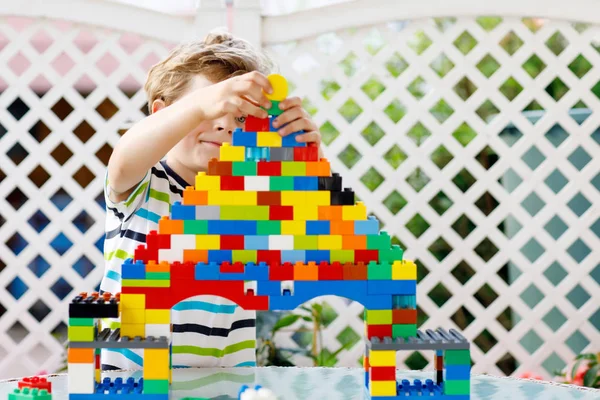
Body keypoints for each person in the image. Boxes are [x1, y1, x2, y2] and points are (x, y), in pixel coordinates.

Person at [101, 31, 323, 370]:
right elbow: (124, 158)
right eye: (209, 110)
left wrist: (307, 154)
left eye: (241, 118)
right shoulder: (144, 185)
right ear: (162, 113)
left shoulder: (251, 197)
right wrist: (203, 103)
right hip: (137, 382)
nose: (225, 126)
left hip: (225, 380)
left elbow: (310, 228)